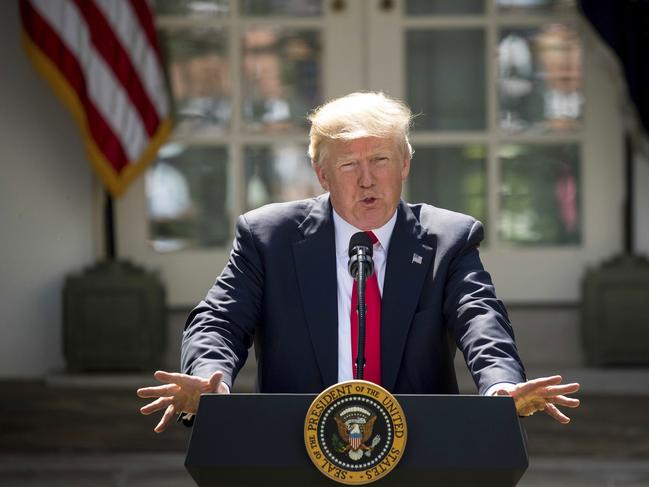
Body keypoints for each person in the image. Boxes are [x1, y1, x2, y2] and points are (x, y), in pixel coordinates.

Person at [138, 92, 580, 433]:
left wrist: (499, 385)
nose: (367, 179)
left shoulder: (449, 239)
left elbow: (481, 320)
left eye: (380, 160)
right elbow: (219, 320)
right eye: (349, 164)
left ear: (405, 164)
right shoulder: (268, 236)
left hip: (417, 446)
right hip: (293, 444)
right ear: (322, 173)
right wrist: (211, 377)